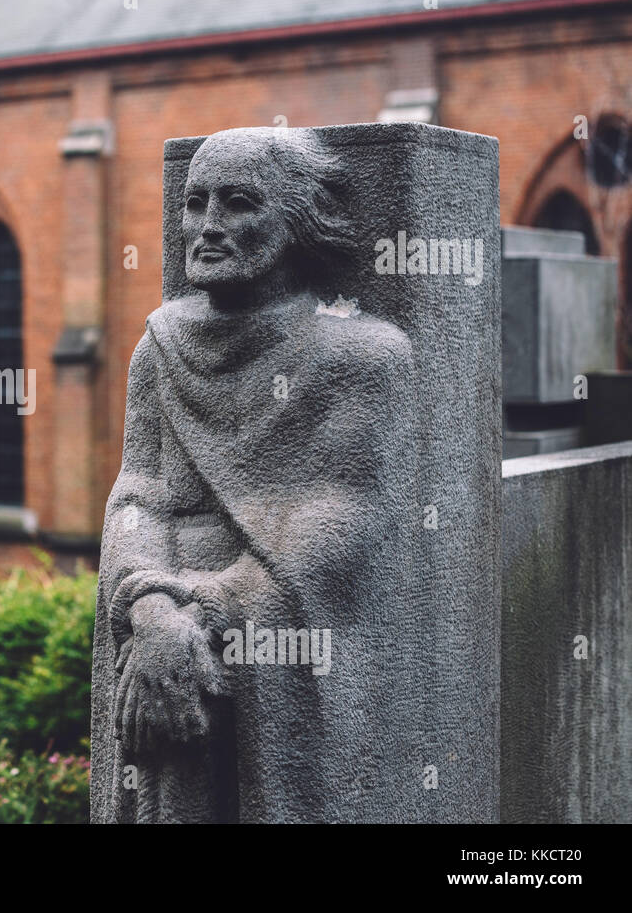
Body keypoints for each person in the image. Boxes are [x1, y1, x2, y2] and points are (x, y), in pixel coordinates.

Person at [91, 127, 416, 823]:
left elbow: (341, 517)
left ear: (296, 221)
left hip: (269, 635)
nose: (207, 227)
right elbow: (138, 495)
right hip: (162, 623)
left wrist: (205, 613)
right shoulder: (159, 346)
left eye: (238, 203)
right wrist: (149, 613)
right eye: (195, 202)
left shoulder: (362, 356)